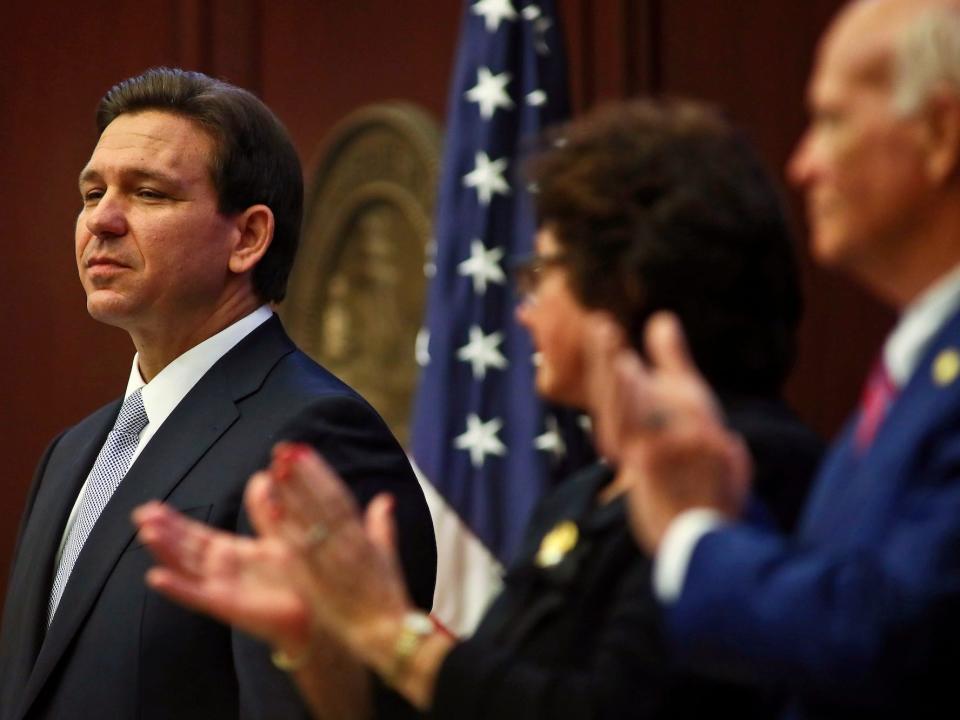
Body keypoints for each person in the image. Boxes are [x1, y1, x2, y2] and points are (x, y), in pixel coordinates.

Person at [134, 99, 822, 718]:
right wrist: (316, 639)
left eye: (542, 275)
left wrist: (385, 627)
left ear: (627, 286)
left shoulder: (748, 465)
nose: (524, 310)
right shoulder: (580, 495)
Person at [0, 67, 436, 720]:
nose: (103, 221)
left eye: (147, 193)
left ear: (248, 238)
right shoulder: (73, 452)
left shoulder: (314, 438)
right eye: (92, 193)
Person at [585, 0, 960, 717]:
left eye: (831, 120)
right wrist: (723, 505)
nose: (802, 165)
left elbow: (891, 638)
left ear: (941, 134)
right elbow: (850, 588)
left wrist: (697, 539)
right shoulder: (917, 363)